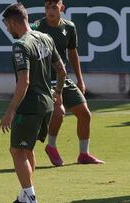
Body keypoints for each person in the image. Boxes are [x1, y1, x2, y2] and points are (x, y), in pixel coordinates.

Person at [0, 3, 66, 203]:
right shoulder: (46, 38)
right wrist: (58, 93)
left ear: (12, 21)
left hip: (30, 105)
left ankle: (30, 197)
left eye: (6, 25)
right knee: (27, 150)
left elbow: (24, 81)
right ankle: (24, 195)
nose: (7, 29)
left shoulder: (21, 45)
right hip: (46, 103)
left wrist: (10, 112)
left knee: (17, 150)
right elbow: (62, 71)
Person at [31, 0, 104, 166]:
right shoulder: (37, 27)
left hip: (64, 79)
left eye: (54, 7)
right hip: (45, 80)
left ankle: (84, 154)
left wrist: (80, 79)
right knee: (59, 112)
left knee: (85, 114)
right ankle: (51, 146)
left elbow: (73, 53)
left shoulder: (69, 27)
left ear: (61, 8)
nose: (50, 10)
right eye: (47, 7)